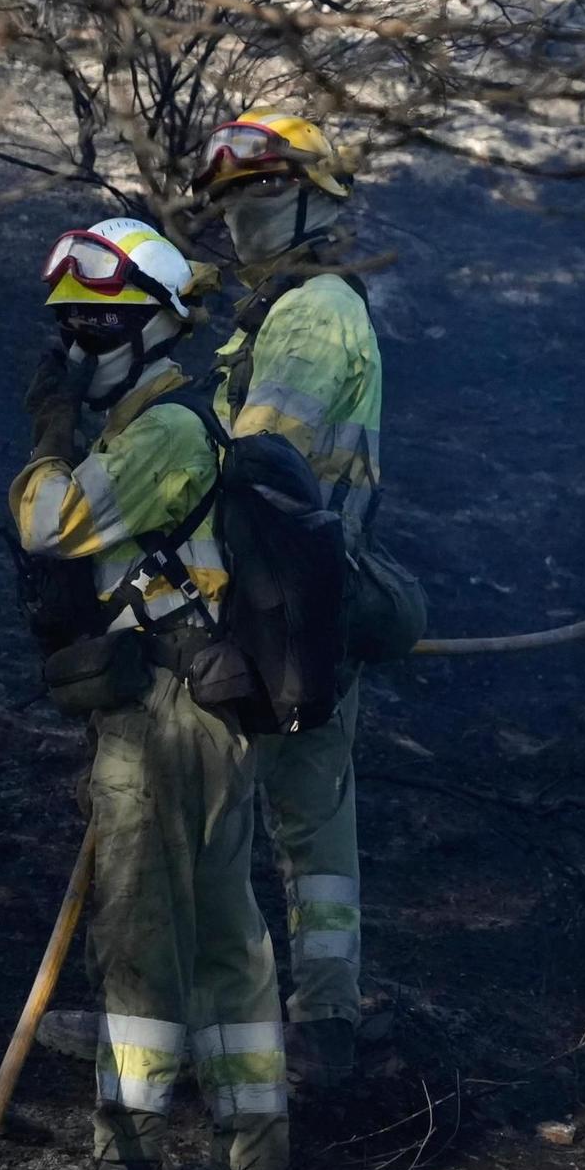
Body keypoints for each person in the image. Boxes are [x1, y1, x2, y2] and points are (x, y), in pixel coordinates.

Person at [6, 219, 289, 1170]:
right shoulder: (169, 415)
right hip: (207, 707)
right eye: (69, 324)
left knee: (139, 939)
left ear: (148, 328)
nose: (75, 345)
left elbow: (49, 523)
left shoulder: (165, 430)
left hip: (163, 717)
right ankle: (254, 1159)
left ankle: (125, 1168)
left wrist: (47, 439)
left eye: (94, 324)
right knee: (225, 933)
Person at [194, 110, 382, 1086]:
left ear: (315, 196)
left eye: (262, 190)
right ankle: (328, 1022)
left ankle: (230, 1033)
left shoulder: (308, 314)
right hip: (316, 600)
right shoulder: (299, 308)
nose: (240, 214)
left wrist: (163, 593)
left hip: (266, 606)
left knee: (210, 816)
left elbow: (257, 473)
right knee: (316, 824)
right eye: (228, 198)